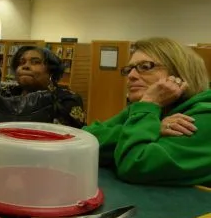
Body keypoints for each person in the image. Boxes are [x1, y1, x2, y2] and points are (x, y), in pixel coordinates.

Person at [84, 37, 211, 186]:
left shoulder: (204, 116)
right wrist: (155, 128)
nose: (131, 76)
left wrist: (148, 109)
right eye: (129, 69)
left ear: (179, 73)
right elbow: (85, 138)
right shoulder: (147, 108)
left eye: (145, 67)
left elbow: (134, 164)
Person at [0, 45, 86, 136]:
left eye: (35, 62)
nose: (26, 66)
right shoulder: (7, 92)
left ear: (51, 70)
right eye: (22, 62)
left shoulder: (66, 100)